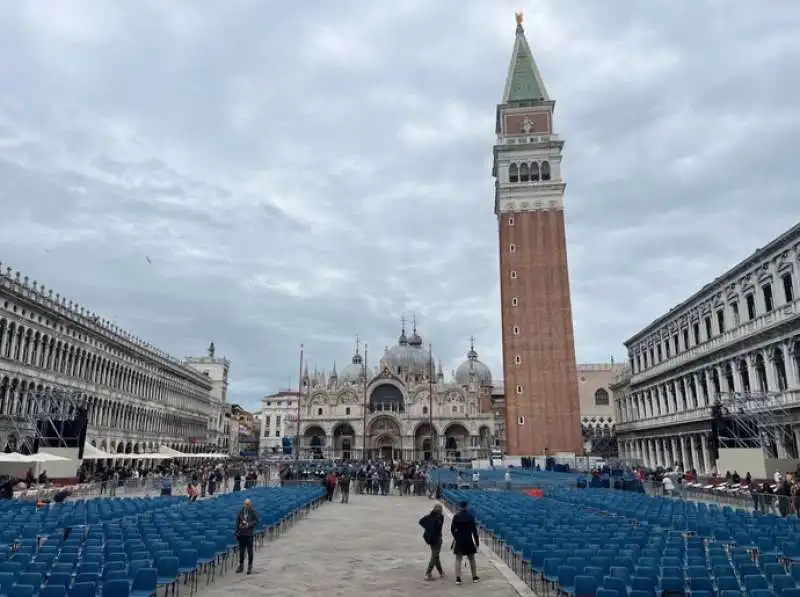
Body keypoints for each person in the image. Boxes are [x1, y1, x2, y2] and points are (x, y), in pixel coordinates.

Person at [450, 501, 480, 585]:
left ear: (460, 507)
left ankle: (458, 578)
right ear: (467, 507)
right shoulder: (470, 517)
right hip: (468, 539)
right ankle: (474, 577)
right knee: (471, 559)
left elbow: (452, 529)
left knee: (458, 559)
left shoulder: (456, 516)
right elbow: (474, 531)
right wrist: (477, 543)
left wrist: (456, 537)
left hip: (459, 539)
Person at [419, 504, 445, 581]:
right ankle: (428, 573)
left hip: (430, 538)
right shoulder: (440, 517)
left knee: (435, 555)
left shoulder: (429, 516)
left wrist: (427, 528)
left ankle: (441, 572)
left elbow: (421, 521)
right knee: (434, 556)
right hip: (437, 538)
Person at [235, 498, 258, 574]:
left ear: (250, 504)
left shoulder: (253, 511)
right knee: (241, 551)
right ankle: (241, 565)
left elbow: (256, 521)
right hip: (241, 534)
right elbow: (237, 522)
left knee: (250, 551)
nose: (247, 505)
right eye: (245, 504)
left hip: (249, 534)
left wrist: (249, 524)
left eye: (248, 504)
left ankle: (250, 566)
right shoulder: (241, 511)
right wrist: (237, 532)